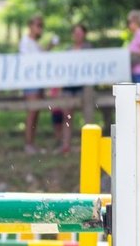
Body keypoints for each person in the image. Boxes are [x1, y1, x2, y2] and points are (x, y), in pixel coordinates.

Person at [52, 22, 92, 153]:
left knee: (87, 114)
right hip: (69, 87)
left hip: (84, 87)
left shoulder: (89, 49)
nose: (77, 35)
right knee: (67, 116)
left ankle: (88, 144)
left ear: (84, 34)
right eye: (75, 33)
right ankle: (66, 145)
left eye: (80, 33)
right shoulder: (68, 50)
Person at [19, 15, 48, 153]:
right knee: (32, 112)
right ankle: (28, 143)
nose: (40, 28)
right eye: (38, 25)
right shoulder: (25, 42)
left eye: (41, 25)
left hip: (39, 81)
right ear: (30, 26)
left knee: (36, 112)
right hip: (31, 82)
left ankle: (32, 142)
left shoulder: (36, 43)